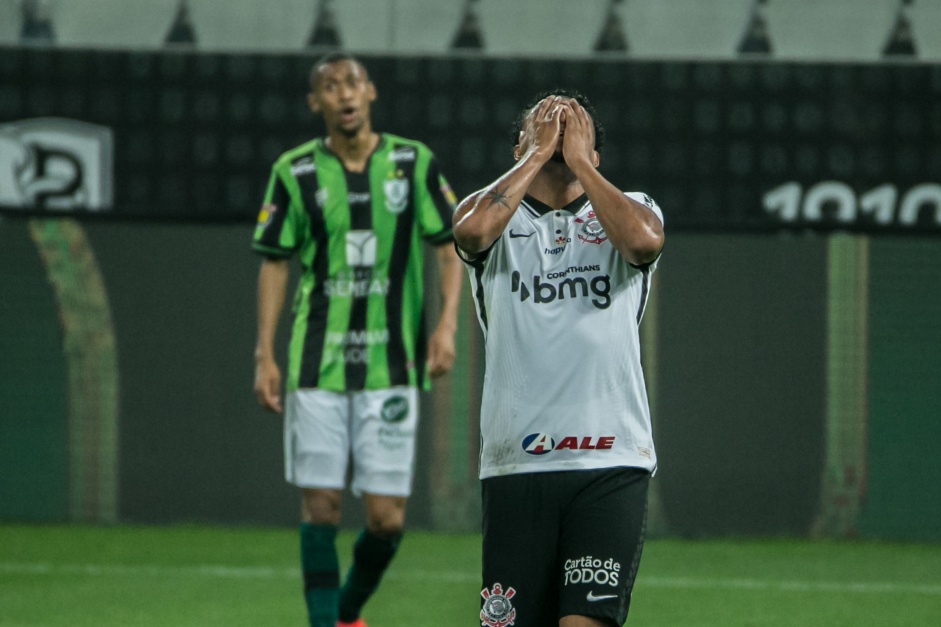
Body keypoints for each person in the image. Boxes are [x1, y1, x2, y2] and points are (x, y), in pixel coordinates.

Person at [252, 53, 463, 627]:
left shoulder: (411, 162)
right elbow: (274, 262)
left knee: (387, 520)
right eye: (329, 87)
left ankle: (345, 614)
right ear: (314, 103)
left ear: (370, 92)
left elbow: (450, 248)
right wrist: (264, 353)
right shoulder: (294, 172)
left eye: (351, 83)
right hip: (315, 361)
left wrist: (445, 327)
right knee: (321, 505)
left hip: (391, 365)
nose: (343, 94)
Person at [452, 90, 665, 627]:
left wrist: (577, 164)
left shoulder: (631, 210)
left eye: (575, 128)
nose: (559, 132)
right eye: (544, 126)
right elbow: (471, 233)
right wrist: (536, 154)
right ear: (519, 146)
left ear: (595, 152)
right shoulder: (487, 215)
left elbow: (643, 244)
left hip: (609, 460)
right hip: (516, 461)